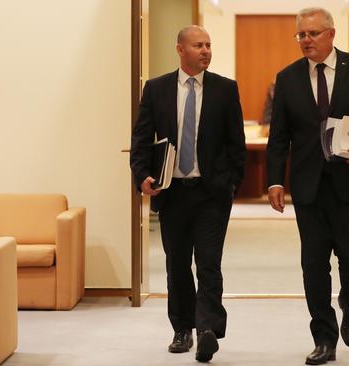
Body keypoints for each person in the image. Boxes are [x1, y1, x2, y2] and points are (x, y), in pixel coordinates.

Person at [266, 7, 349, 365]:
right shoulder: (288, 78)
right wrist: (275, 180)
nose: (305, 41)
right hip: (308, 188)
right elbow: (278, 137)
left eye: (312, 34)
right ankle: (324, 337)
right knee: (313, 263)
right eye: (301, 35)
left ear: (331, 34)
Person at [130, 25, 245, 363]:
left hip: (211, 194)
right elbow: (140, 141)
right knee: (177, 263)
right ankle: (182, 328)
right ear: (180, 49)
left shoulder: (225, 89)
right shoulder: (156, 89)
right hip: (173, 192)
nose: (206, 50)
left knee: (209, 262)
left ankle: (208, 328)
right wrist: (142, 177)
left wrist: (231, 183)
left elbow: (235, 143)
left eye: (209, 45)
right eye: (198, 45)